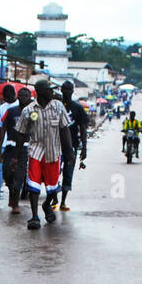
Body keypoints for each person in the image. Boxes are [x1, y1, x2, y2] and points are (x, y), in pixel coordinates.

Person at [12, 77, 72, 230]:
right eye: (48, 89)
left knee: (53, 186)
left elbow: (65, 130)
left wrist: (69, 151)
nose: (52, 92)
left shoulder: (58, 107)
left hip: (53, 152)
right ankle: (34, 216)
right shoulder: (29, 110)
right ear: (40, 92)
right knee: (33, 184)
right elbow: (20, 133)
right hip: (35, 152)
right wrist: (16, 155)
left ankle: (46, 205)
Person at [59, 81, 87, 212]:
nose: (66, 91)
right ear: (61, 90)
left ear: (72, 90)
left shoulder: (78, 108)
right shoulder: (55, 106)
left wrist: (84, 147)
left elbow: (83, 128)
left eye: (69, 89)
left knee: (68, 173)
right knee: (53, 173)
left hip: (72, 147)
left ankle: (63, 201)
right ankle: (52, 198)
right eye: (64, 89)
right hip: (55, 146)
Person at [0, 84, 17, 206]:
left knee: (16, 172)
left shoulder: (20, 107)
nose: (6, 99)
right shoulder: (2, 108)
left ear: (14, 95)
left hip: (18, 145)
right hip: (5, 144)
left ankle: (15, 196)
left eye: (8, 96)